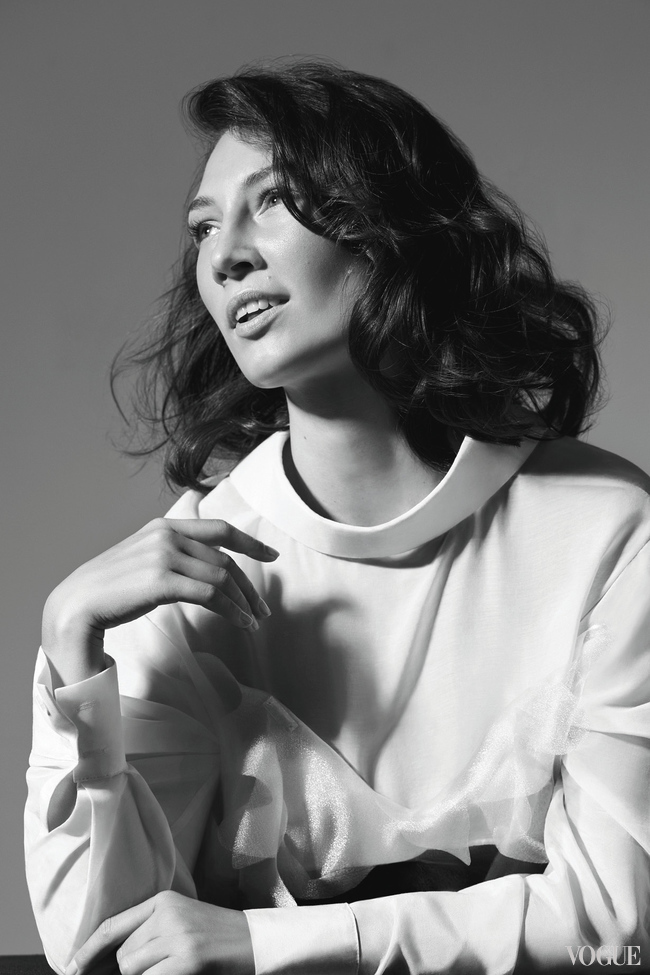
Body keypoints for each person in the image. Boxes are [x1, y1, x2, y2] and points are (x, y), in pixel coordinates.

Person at [25, 60, 650, 975]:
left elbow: (616, 922)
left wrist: (266, 942)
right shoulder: (185, 579)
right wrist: (73, 662)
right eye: (204, 227)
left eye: (273, 201)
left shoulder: (608, 529)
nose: (225, 256)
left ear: (387, 227)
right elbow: (106, 946)